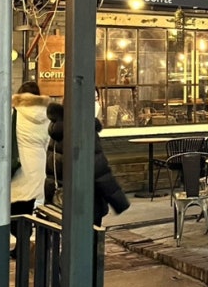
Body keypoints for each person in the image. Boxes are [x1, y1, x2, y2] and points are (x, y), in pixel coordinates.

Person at [45, 87, 129, 226]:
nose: (97, 104)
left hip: (60, 200)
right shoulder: (84, 129)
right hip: (85, 202)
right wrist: (119, 201)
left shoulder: (58, 128)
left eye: (97, 99)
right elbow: (100, 170)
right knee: (90, 237)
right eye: (93, 100)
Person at [10, 80, 51, 238]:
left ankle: (20, 244)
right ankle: (24, 243)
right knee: (27, 208)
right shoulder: (46, 115)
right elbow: (48, 143)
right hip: (38, 165)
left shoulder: (16, 112)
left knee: (12, 211)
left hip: (18, 166)